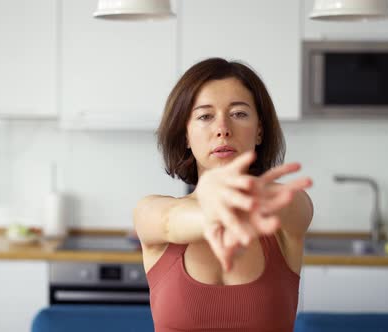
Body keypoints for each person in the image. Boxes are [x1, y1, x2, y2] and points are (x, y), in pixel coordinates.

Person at [134, 58, 314, 332]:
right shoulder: (151, 211)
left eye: (239, 113)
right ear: (186, 135)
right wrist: (211, 213)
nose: (223, 129)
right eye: (205, 116)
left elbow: (294, 206)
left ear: (260, 131)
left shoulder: (282, 208)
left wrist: (248, 198)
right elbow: (170, 222)